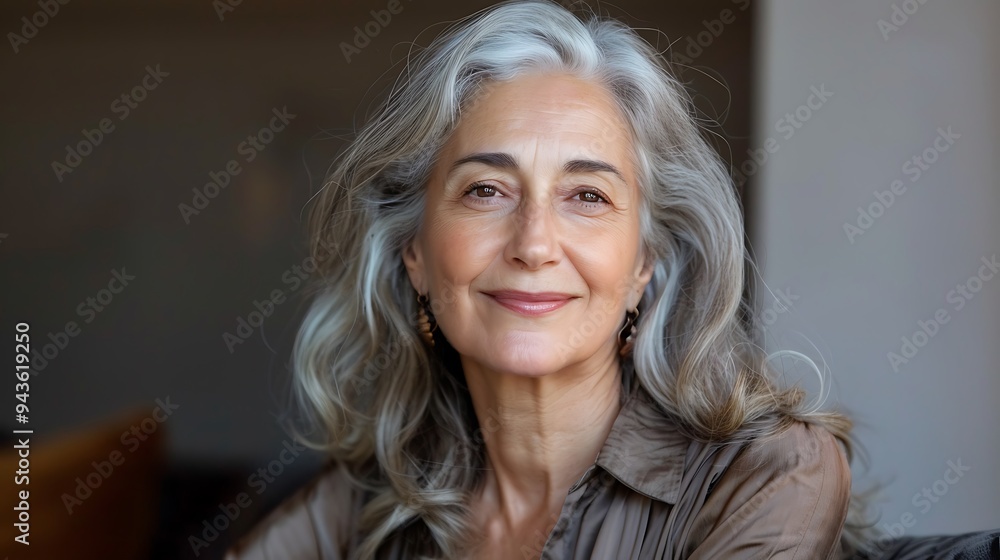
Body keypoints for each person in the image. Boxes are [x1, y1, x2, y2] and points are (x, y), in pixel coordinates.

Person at [225, 1, 868, 558]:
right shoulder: (372, 497)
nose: (533, 244)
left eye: (586, 196)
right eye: (485, 190)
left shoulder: (768, 475)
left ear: (643, 262)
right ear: (414, 252)